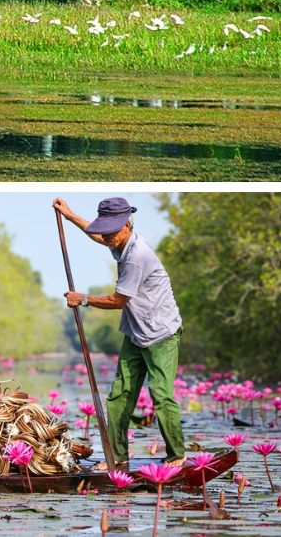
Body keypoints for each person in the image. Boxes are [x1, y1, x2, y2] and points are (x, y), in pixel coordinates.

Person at [53, 196, 185, 471]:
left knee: (160, 394)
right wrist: (70, 215)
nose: (108, 236)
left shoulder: (137, 256)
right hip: (136, 332)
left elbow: (118, 301)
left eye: (113, 230)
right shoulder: (121, 241)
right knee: (118, 399)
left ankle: (177, 457)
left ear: (127, 225)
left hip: (161, 333)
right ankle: (119, 459)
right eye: (106, 229)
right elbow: (99, 237)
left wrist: (84, 299)